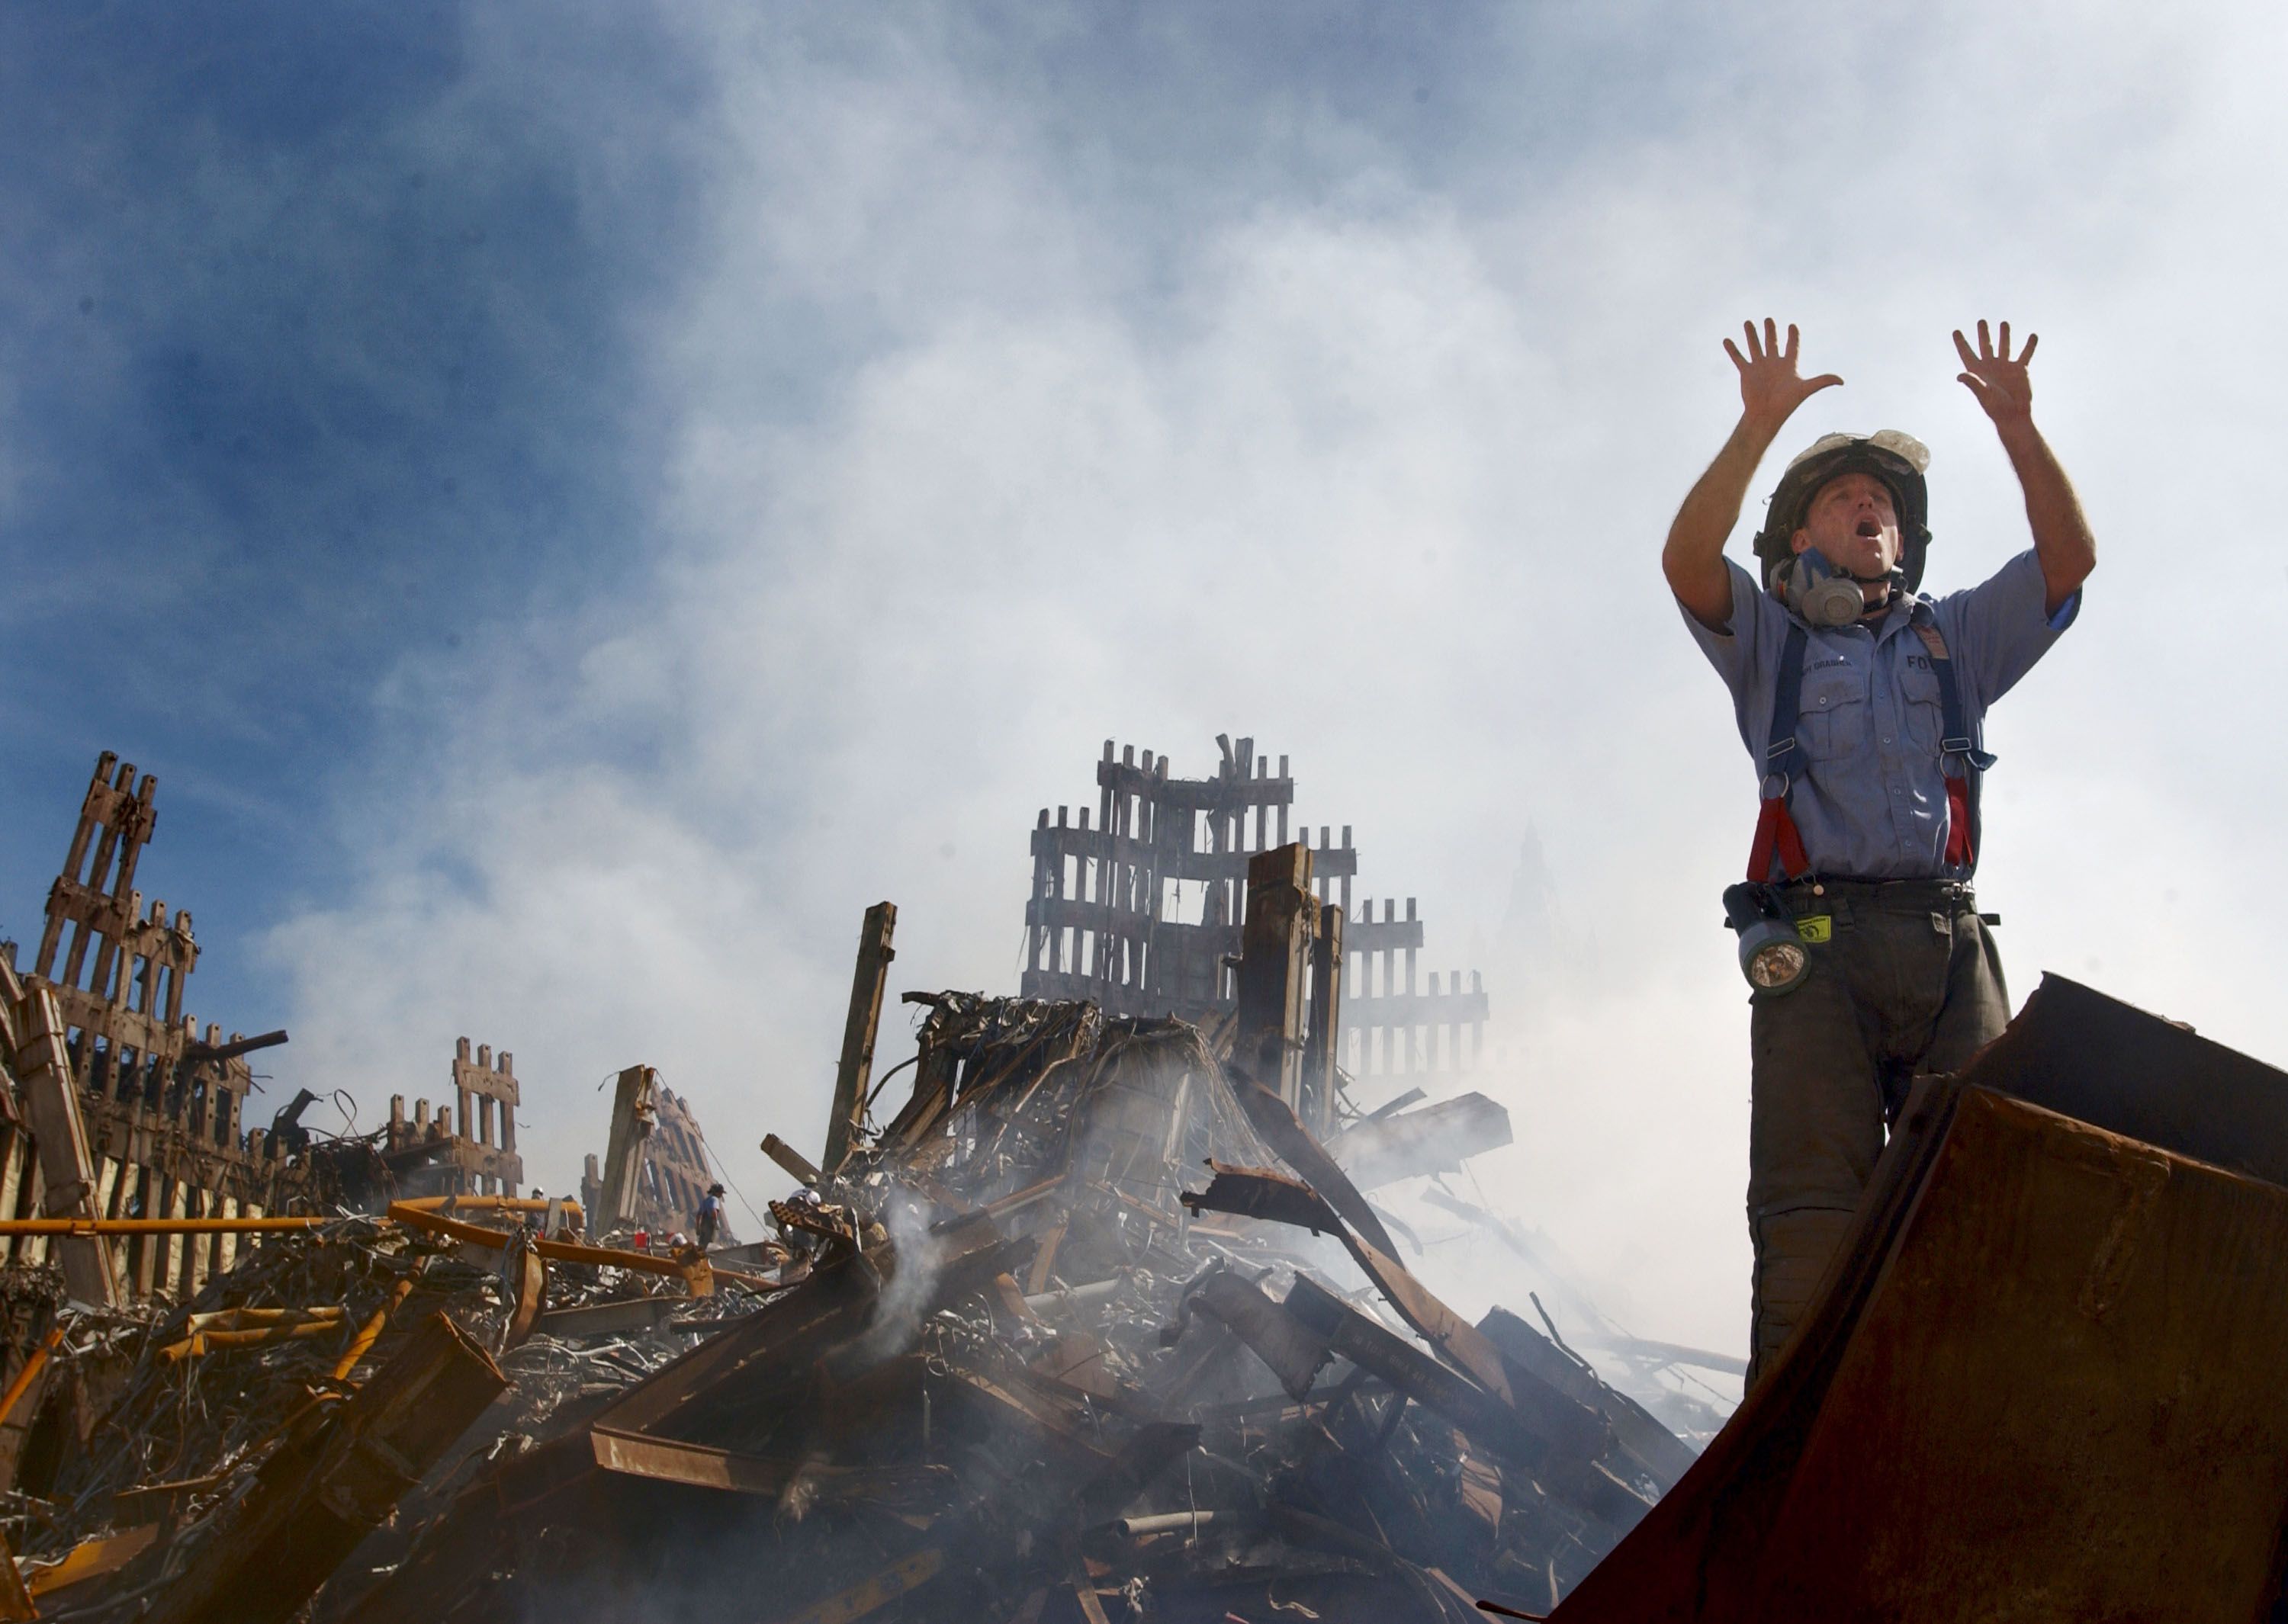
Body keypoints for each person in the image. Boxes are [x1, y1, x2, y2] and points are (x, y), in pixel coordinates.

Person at [1663, 319, 2095, 1388]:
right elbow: (1685, 563)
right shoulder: (1773, 641)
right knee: (1813, 1226)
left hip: (1948, 944)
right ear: (1799, 538)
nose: (1874, 509)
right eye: (1847, 498)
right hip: (1818, 952)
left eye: (1888, 505)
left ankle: (1980, 1439)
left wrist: (2019, 429)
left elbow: (2067, 561)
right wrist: (1758, 427)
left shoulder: (1955, 637)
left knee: (1989, 1196)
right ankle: (1790, 1467)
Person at [695, 1183, 726, 1250]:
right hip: (710, 1223)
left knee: (701, 1244)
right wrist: (715, 1222)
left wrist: (697, 1227)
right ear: (717, 1192)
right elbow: (714, 1210)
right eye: (721, 1193)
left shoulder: (705, 1201)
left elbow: (698, 1215)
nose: (721, 1195)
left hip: (703, 1224)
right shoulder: (715, 1199)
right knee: (709, 1244)